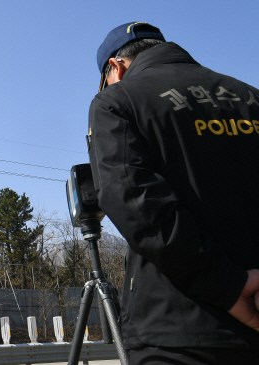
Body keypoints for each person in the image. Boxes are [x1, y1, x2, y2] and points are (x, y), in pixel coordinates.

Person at [88, 21, 259, 364]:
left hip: (177, 332)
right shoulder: (251, 97)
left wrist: (228, 286)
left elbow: (136, 205)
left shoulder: (115, 102)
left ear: (115, 67)